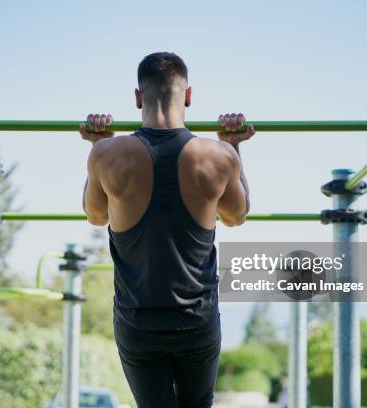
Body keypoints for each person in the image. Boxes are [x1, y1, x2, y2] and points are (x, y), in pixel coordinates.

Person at [80, 52, 254, 408]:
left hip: (137, 321)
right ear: (188, 95)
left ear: (138, 98)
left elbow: (96, 217)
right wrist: (233, 146)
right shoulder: (218, 155)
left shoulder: (108, 154)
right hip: (197, 320)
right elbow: (237, 217)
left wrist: (99, 144)